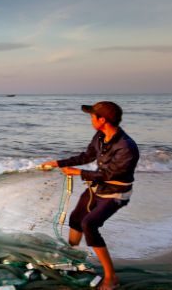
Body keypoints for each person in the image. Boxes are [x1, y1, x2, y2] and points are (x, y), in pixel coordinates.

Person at [40, 101, 138, 290]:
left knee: (89, 224)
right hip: (97, 188)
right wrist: (58, 163)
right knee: (76, 219)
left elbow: (110, 175)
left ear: (102, 120)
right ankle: (71, 257)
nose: (91, 120)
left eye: (92, 116)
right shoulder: (100, 136)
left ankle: (111, 277)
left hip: (116, 193)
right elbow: (87, 156)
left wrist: (77, 173)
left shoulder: (127, 147)